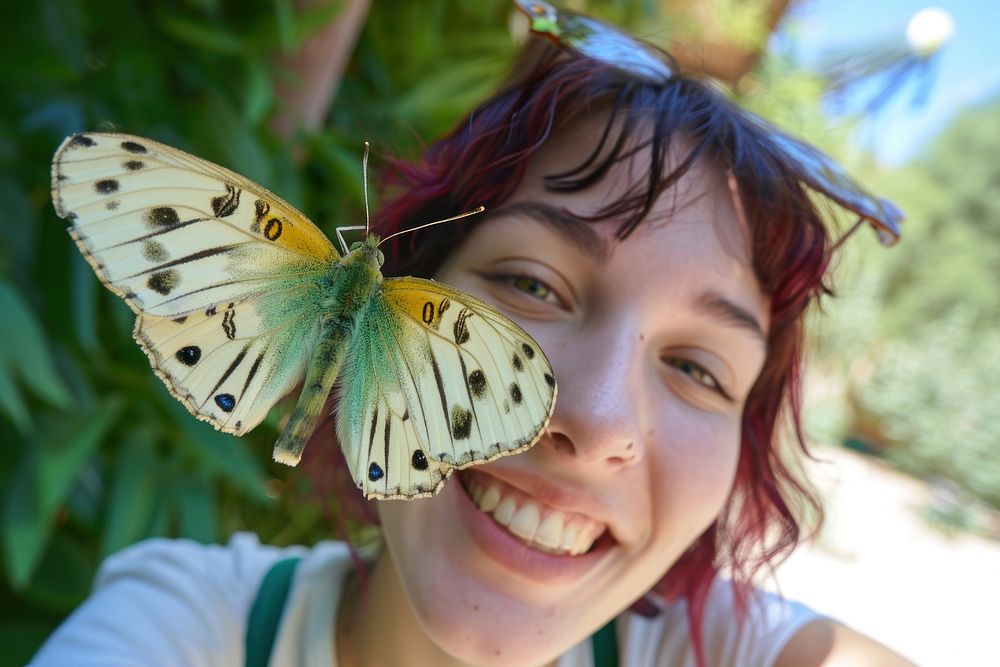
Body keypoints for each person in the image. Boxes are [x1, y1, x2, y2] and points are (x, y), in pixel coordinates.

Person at [31, 14, 914, 667]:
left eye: (696, 368)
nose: (598, 419)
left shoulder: (723, 649)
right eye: (531, 284)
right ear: (428, 270)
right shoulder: (184, 623)